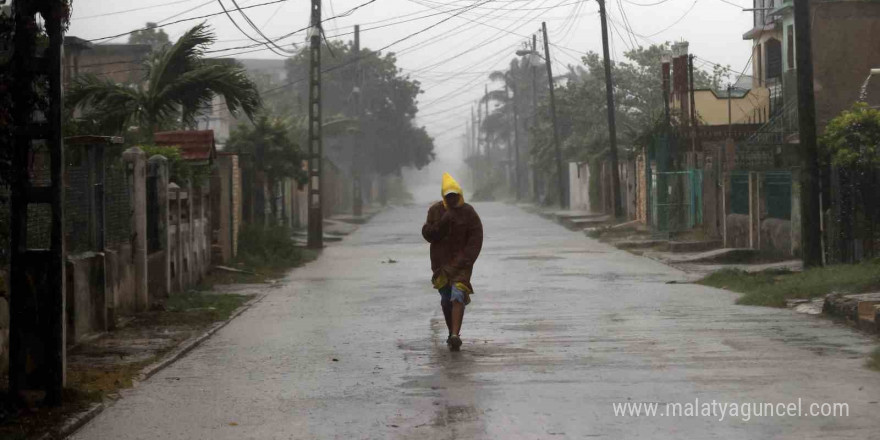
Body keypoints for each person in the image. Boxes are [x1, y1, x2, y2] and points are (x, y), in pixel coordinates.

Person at [421, 173, 483, 351]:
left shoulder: (469, 212)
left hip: (462, 264)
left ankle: (456, 335)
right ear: (443, 196)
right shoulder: (435, 211)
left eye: (454, 195)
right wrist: (443, 221)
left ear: (460, 194)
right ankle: (451, 332)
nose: (452, 199)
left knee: (458, 295)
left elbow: (476, 238)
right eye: (448, 196)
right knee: (446, 300)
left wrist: (466, 259)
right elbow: (430, 235)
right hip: (441, 265)